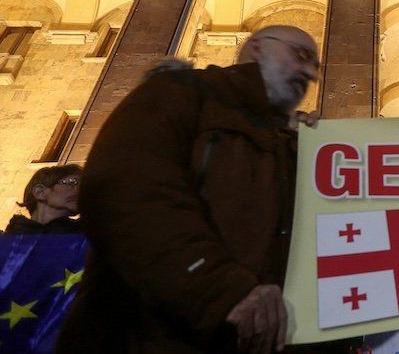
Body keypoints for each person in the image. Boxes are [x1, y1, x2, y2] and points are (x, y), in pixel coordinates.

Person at [57, 25, 320, 354]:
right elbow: (130, 194)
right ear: (257, 48)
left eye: (316, 66)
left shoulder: (293, 140)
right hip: (148, 337)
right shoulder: (177, 93)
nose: (311, 74)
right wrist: (220, 289)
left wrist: (316, 153)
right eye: (302, 55)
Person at [5, 164, 83, 234]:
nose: (80, 190)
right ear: (40, 192)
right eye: (73, 182)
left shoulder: (86, 235)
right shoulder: (8, 240)